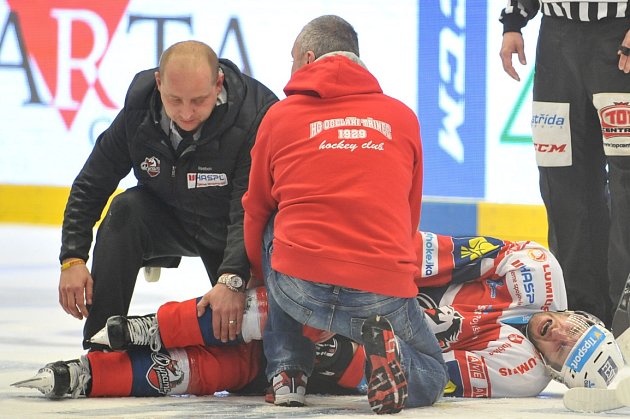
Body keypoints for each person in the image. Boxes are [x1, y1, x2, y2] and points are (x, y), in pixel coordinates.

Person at [13, 231, 627, 400]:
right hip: (381, 276)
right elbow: (436, 254)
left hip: (368, 344)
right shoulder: (539, 271)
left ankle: (97, 376)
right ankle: (143, 329)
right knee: (264, 309)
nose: (557, 332)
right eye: (577, 329)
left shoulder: (522, 373)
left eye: (562, 351)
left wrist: (352, 359)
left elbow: (429, 373)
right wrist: (359, 276)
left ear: (556, 371)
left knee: (235, 368)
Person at [242, 15, 448, 414]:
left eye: (291, 60)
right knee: (433, 373)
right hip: (379, 290)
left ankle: (287, 374)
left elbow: (255, 208)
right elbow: (408, 216)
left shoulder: (279, 116)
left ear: (307, 57)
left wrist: (261, 274)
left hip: (299, 286)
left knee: (274, 220)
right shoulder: (402, 117)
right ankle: (384, 361)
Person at [57, 40, 278, 349]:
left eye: (198, 101)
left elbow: (249, 208)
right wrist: (73, 258)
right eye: (174, 100)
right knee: (126, 209)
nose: (186, 113)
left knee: (246, 360)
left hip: (228, 225)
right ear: (159, 83)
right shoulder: (139, 111)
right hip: (169, 213)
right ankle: (99, 345)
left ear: (219, 83)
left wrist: (232, 278)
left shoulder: (256, 115)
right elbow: (92, 183)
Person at [498, 1, 630, 331]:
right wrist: (514, 20)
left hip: (619, 38)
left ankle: (625, 320)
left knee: (627, 183)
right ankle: (583, 316)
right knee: (562, 179)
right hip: (556, 38)